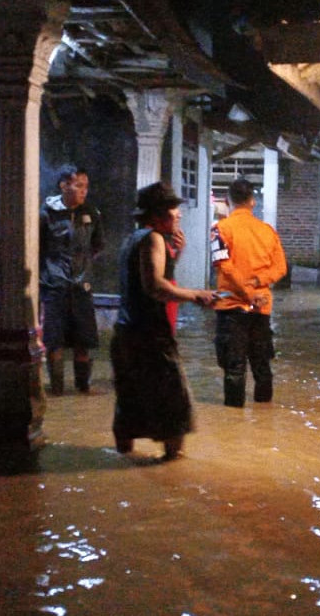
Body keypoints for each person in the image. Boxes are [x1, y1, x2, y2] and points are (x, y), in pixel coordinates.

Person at [111, 182, 216, 460]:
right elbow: (154, 286)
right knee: (174, 404)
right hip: (150, 335)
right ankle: (172, 468)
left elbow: (148, 279)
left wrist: (175, 256)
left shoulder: (131, 239)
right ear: (158, 215)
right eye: (174, 210)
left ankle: (124, 462)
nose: (179, 215)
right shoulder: (153, 239)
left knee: (129, 403)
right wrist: (196, 295)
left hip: (125, 333)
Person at [210, 178, 288, 408]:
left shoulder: (219, 230)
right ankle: (265, 419)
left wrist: (245, 291)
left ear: (227, 201)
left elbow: (223, 265)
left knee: (234, 368)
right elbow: (281, 268)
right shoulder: (268, 231)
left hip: (231, 306)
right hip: (261, 307)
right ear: (253, 202)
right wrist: (257, 283)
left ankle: (232, 426)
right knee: (262, 366)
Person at [40, 167, 104, 395]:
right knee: (54, 340)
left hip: (81, 286)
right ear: (64, 185)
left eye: (86, 187)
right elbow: (38, 247)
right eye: (78, 186)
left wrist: (83, 267)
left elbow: (97, 245)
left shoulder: (91, 213)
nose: (83, 192)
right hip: (54, 285)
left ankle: (83, 387)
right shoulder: (47, 213)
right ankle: (56, 388)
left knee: (84, 340)